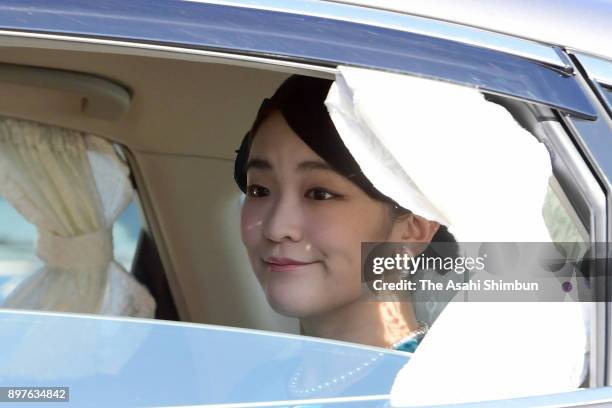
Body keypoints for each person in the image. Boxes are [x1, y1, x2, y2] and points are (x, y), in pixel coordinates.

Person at [234, 75, 455, 353]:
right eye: (259, 191)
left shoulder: (440, 393)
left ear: (413, 229)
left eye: (320, 194)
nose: (276, 228)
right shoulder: (257, 385)